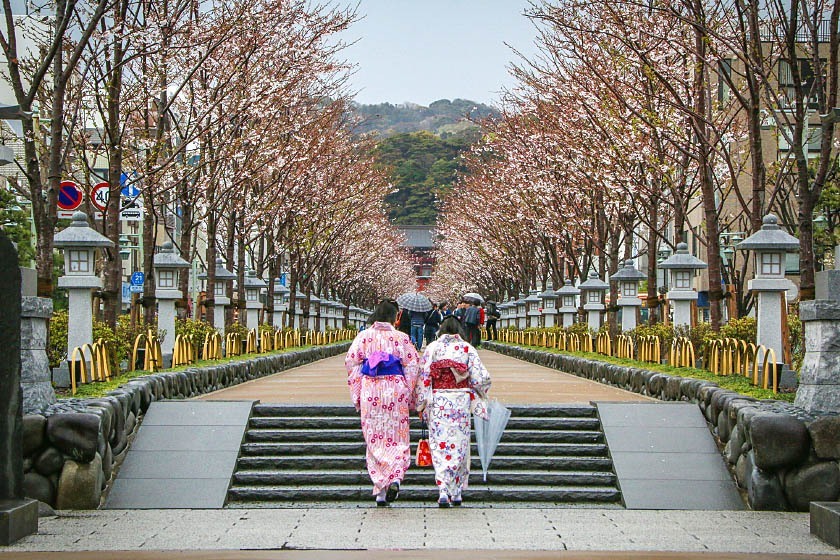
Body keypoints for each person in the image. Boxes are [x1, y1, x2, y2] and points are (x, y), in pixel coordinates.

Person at [345, 299, 420, 506]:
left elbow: (351, 363)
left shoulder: (364, 337)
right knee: (397, 437)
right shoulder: (401, 338)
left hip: (371, 389)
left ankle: (380, 491)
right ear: (395, 317)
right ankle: (395, 478)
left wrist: (358, 393)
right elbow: (413, 366)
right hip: (395, 390)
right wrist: (408, 390)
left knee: (374, 438)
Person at [415, 316, 491, 507]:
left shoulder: (432, 348)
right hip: (460, 401)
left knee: (440, 444)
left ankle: (442, 489)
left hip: (439, 399)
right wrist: (478, 391)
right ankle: (456, 491)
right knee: (460, 444)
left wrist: (422, 403)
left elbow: (424, 376)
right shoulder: (466, 348)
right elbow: (481, 378)